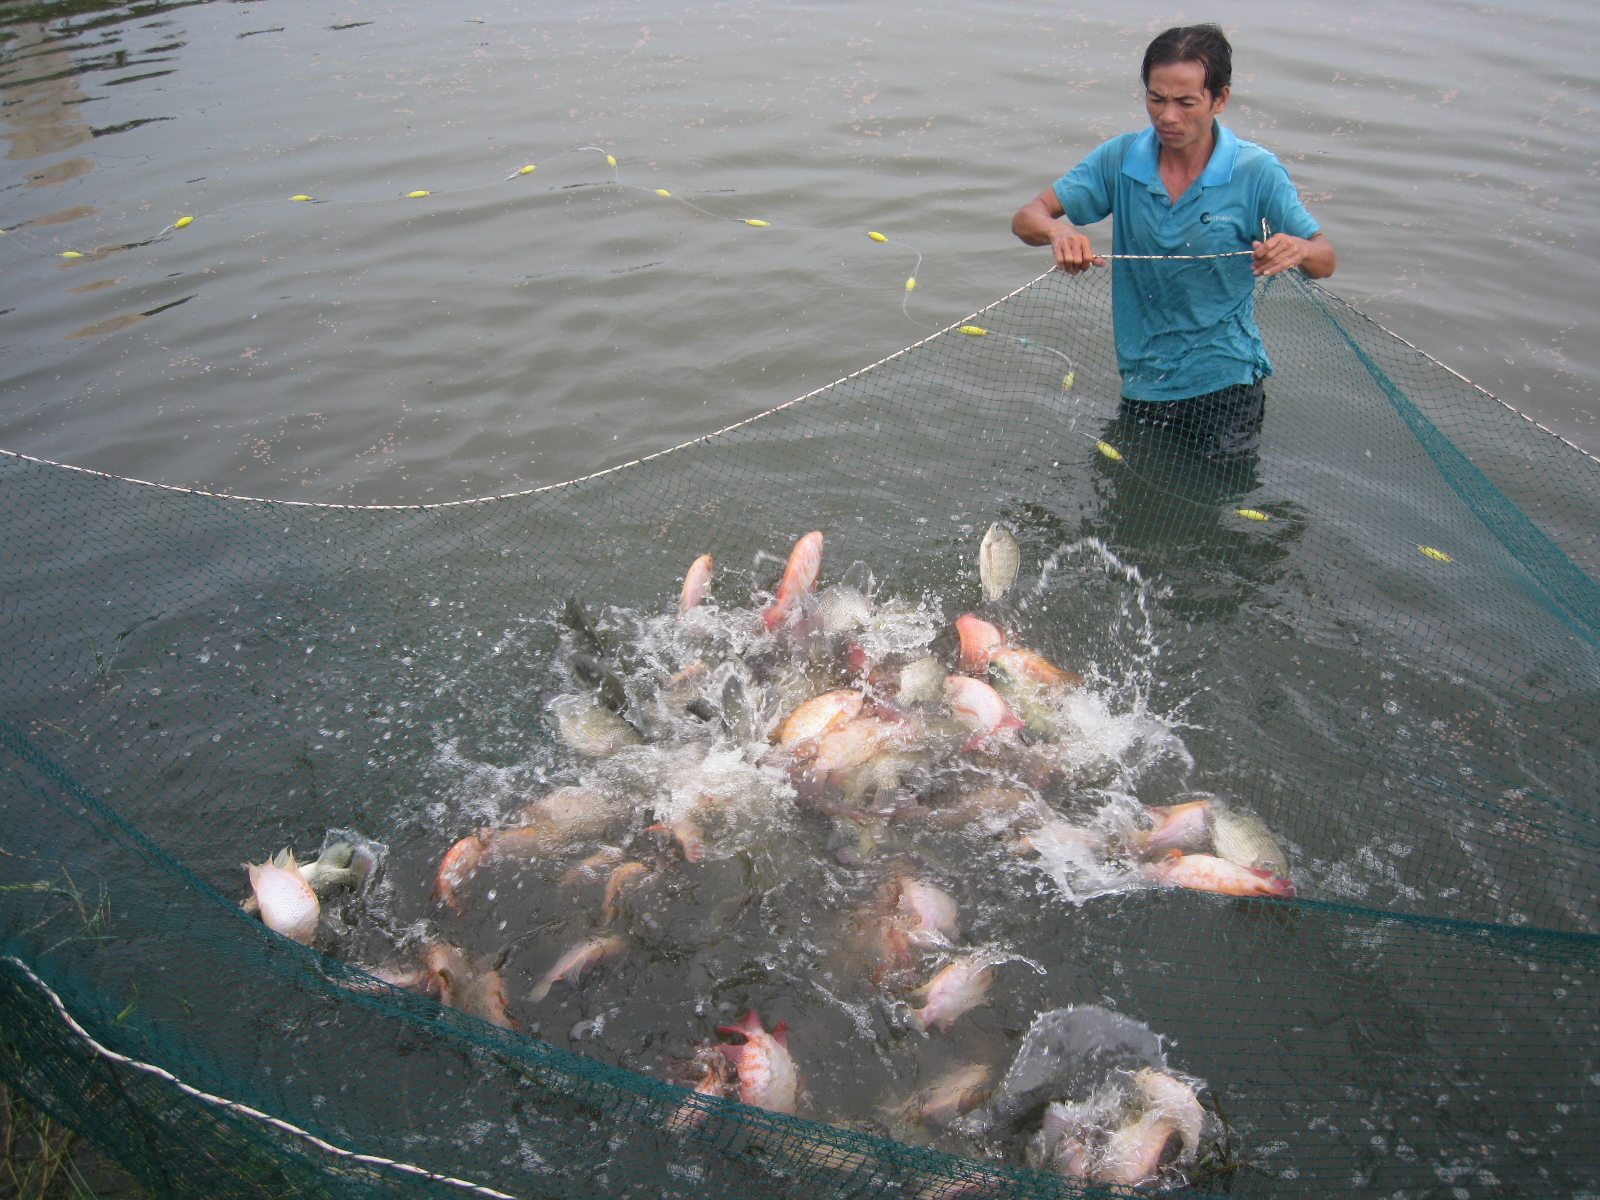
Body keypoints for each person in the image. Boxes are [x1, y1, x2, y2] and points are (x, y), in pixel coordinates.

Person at [1012, 24, 1335, 460]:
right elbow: (1026, 217)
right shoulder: (1121, 158)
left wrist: (1299, 249)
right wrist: (1059, 230)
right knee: (1130, 503)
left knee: (1214, 507)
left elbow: (1325, 259)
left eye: (1186, 102)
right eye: (1156, 99)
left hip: (1227, 382)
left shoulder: (1256, 171)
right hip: (1145, 380)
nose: (1168, 116)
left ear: (1220, 99)